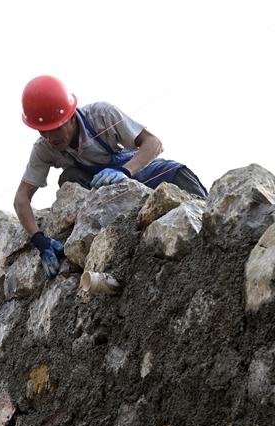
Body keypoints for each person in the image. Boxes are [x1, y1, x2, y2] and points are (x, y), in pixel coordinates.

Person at [13, 75, 209, 278]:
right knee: (70, 177)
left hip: (132, 170)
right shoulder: (44, 149)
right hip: (96, 192)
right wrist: (39, 240)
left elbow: (153, 143)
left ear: (71, 117)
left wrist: (124, 171)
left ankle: (211, 225)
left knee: (176, 171)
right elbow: (21, 198)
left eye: (56, 129)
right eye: (43, 132)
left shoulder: (102, 115)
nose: (50, 138)